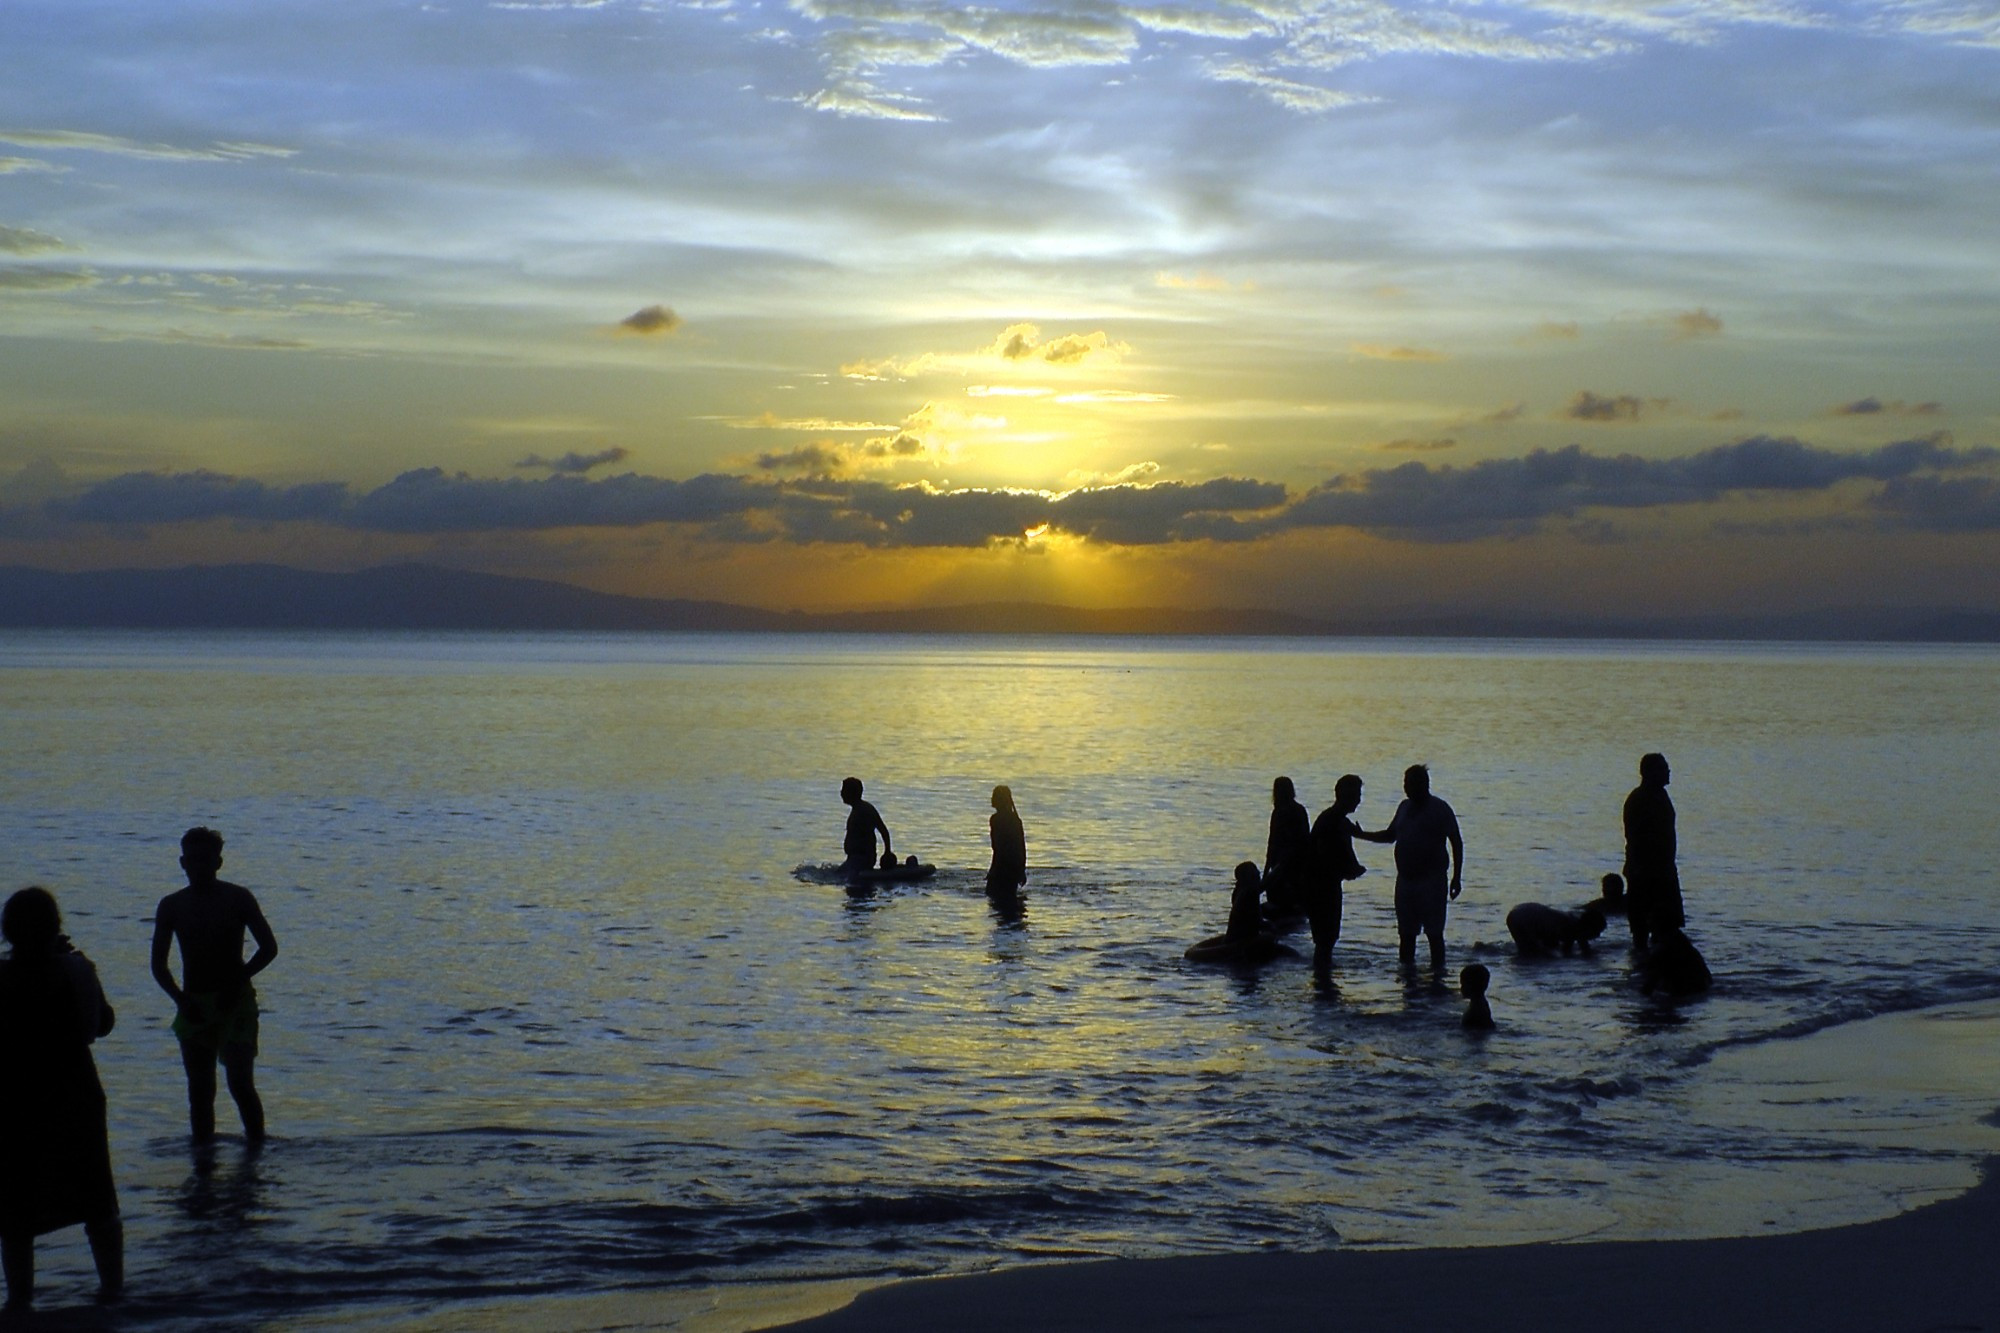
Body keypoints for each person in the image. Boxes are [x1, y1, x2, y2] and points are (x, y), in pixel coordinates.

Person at [0, 887, 123, 1311]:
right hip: (74, 1090)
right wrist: (78, 963)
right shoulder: (76, 971)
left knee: (16, 1207)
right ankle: (112, 1290)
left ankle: (19, 1302)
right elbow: (102, 1024)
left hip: (15, 1096)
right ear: (56, 927)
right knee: (95, 1197)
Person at [150, 827, 278, 1145]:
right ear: (182, 863)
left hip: (235, 1002)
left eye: (205, 860)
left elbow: (269, 948)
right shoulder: (172, 905)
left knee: (239, 1082)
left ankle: (256, 1148)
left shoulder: (238, 898)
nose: (198, 867)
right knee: (200, 1089)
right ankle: (203, 1162)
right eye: (191, 860)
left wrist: (238, 981)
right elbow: (159, 966)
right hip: (194, 1004)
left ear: (217, 862)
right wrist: (180, 1000)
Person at [1359, 764, 1464, 972]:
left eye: (1410, 783)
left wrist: (1456, 877)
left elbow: (1456, 842)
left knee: (1434, 934)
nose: (1406, 788)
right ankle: (1407, 978)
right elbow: (1390, 836)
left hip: (1432, 881)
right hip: (1405, 881)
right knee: (1406, 935)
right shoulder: (1404, 807)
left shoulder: (1440, 809)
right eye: (1405, 783)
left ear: (1424, 784)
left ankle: (1438, 976)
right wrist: (1362, 835)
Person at [1304, 774, 1369, 968]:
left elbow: (1350, 838)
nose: (1358, 800)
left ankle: (1323, 978)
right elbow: (1324, 855)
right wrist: (1348, 870)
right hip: (1321, 887)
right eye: (1356, 795)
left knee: (1327, 938)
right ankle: (1323, 979)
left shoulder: (1337, 819)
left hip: (1326, 885)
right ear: (1344, 795)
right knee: (1325, 938)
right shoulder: (1331, 820)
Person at [1622, 753, 1685, 950]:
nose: (1668, 771)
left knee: (1668, 925)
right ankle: (1645, 969)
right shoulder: (1639, 799)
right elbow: (1635, 838)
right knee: (1643, 927)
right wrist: (1641, 869)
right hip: (1645, 871)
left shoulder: (1661, 795)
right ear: (1648, 772)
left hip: (1664, 869)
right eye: (1662, 768)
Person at [1262, 777, 1312, 914]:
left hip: (1287, 861)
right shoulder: (1297, 810)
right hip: (1290, 861)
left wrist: (1267, 871)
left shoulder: (1282, 812)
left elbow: (1272, 841)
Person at [1505, 901, 1607, 956]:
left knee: (1534, 949)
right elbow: (1577, 949)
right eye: (1597, 932)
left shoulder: (1571, 921)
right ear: (1589, 928)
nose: (1598, 936)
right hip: (1524, 918)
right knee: (1532, 953)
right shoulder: (1573, 929)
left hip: (1519, 913)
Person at [838, 778, 893, 876]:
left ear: (851, 793)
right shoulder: (858, 809)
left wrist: (887, 852)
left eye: (843, 790)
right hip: (854, 859)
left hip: (861, 859)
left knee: (838, 876)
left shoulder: (864, 810)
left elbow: (883, 831)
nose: (841, 793)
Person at [1637, 927, 1712, 997]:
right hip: (1699, 991)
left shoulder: (1662, 952)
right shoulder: (1691, 950)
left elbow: (1648, 988)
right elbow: (1708, 979)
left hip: (1677, 994)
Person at [986, 786, 1026, 896]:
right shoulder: (1016, 820)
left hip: (1001, 868)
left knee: (994, 898)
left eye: (994, 796)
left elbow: (998, 848)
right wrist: (1021, 870)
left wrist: (993, 870)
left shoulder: (996, 820)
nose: (991, 799)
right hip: (1013, 868)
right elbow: (1021, 847)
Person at [1459, 963, 1494, 1031]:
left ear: (1473, 986)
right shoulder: (1481, 1003)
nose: (1461, 988)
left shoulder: (1477, 1008)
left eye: (1463, 984)